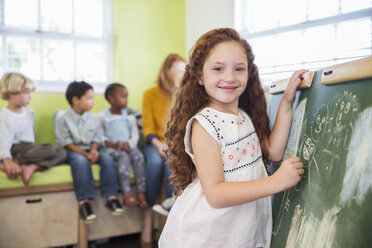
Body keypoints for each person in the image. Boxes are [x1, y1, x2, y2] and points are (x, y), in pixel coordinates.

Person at [159, 28, 306, 247]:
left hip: (238, 230)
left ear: (249, 73)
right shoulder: (205, 124)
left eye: (239, 68)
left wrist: (286, 102)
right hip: (208, 234)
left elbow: (274, 151)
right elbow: (216, 194)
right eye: (218, 68)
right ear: (200, 76)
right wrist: (275, 182)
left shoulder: (244, 117)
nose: (230, 77)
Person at [55, 81, 124, 223]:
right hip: (73, 150)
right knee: (80, 162)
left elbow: (96, 137)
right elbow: (67, 143)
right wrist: (86, 155)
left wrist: (93, 151)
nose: (92, 102)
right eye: (89, 98)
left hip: (90, 148)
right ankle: (84, 202)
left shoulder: (93, 118)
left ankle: (111, 197)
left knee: (107, 159)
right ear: (75, 100)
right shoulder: (62, 118)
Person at [141, 54, 186, 247]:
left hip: (174, 143)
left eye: (185, 71)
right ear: (167, 72)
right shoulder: (150, 94)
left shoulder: (185, 94)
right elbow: (148, 129)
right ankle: (148, 214)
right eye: (178, 70)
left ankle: (170, 210)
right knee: (154, 162)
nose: (182, 74)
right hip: (153, 142)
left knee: (171, 162)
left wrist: (172, 145)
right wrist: (159, 144)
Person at [0, 72, 67, 185]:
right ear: (12, 94)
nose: (30, 96)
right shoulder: (6, 116)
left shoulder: (27, 112)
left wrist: (36, 152)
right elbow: (3, 141)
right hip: (15, 149)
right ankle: (14, 162)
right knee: (49, 149)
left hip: (30, 149)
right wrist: (8, 161)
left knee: (63, 153)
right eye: (26, 93)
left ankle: (31, 167)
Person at [98, 83, 148, 208]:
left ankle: (141, 193)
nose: (126, 100)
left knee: (138, 156)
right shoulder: (103, 116)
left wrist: (130, 144)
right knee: (123, 158)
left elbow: (135, 134)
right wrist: (112, 144)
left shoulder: (129, 116)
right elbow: (99, 136)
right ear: (111, 98)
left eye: (127, 96)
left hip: (128, 146)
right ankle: (127, 194)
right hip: (112, 149)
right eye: (123, 97)